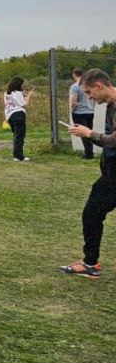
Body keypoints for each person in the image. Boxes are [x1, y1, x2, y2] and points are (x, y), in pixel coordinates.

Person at [63, 69, 116, 278]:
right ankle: (90, 262)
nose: (89, 98)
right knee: (93, 213)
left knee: (92, 213)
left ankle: (90, 263)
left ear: (99, 86)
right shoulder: (111, 105)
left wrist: (90, 134)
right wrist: (87, 135)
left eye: (89, 92)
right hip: (111, 173)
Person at [3, 76, 34, 162]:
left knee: (16, 135)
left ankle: (16, 155)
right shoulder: (18, 93)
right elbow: (24, 104)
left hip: (9, 115)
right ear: (18, 84)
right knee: (20, 136)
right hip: (19, 114)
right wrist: (28, 96)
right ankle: (20, 156)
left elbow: (12, 101)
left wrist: (23, 94)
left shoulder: (6, 93)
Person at [70, 67, 96, 160]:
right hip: (90, 111)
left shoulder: (75, 86)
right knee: (89, 132)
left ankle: (88, 154)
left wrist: (72, 109)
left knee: (83, 133)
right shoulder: (88, 85)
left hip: (79, 112)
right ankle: (90, 152)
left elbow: (74, 100)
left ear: (74, 74)